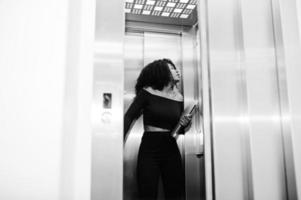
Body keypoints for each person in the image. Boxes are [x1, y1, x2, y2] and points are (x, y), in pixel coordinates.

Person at [124, 58, 192, 200]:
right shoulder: (147, 92)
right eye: (172, 68)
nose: (177, 71)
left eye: (175, 68)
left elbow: (178, 130)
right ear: (162, 71)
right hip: (150, 147)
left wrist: (183, 123)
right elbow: (129, 117)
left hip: (171, 146)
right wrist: (118, 142)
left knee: (175, 192)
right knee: (147, 192)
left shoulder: (179, 97)